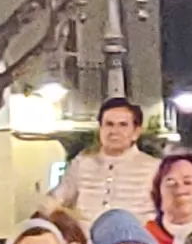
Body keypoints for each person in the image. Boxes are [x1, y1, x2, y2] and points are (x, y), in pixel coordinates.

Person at [50, 96, 165, 224]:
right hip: (85, 241)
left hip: (135, 241)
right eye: (109, 124)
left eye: (123, 125)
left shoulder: (154, 168)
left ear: (136, 132)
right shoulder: (82, 163)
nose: (114, 131)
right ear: (100, 129)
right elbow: (53, 202)